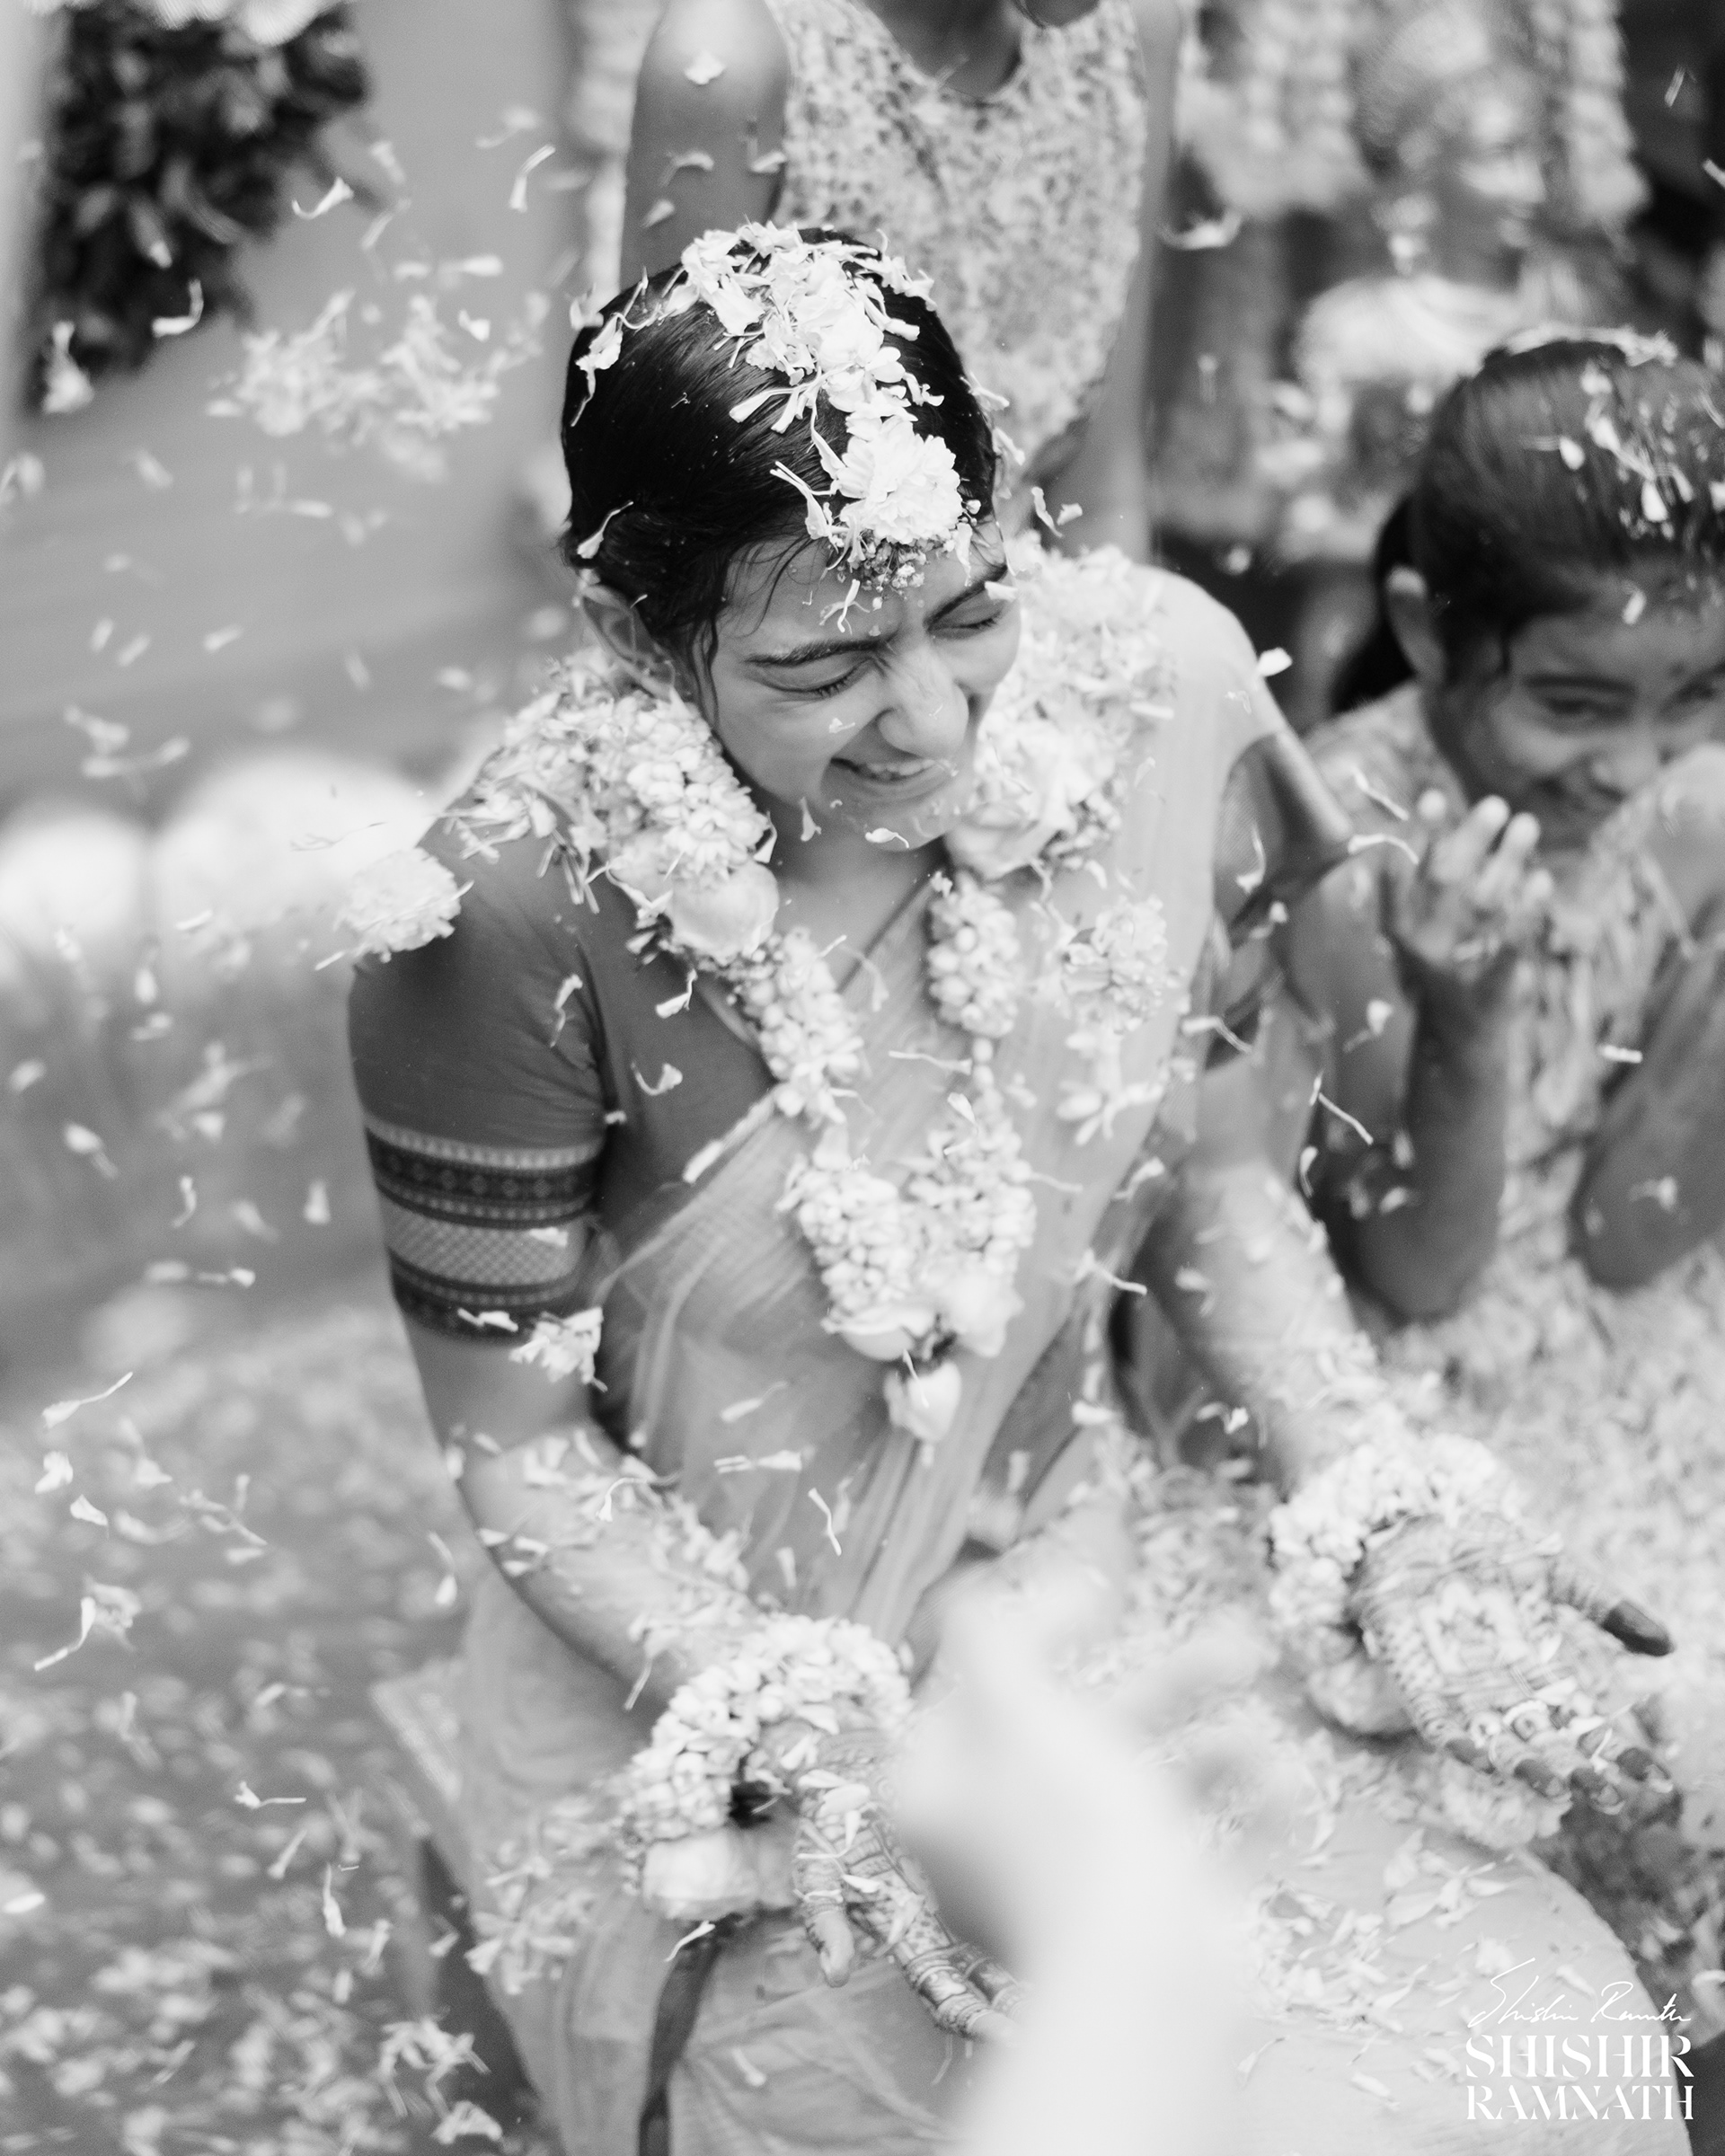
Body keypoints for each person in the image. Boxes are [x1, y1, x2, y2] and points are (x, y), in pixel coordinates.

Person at [345, 231, 1680, 2156]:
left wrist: (1381, 1508)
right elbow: (519, 1452)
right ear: (642, 638)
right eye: (820, 662)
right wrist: (797, 1730)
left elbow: (1215, 1174)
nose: (935, 721)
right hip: (713, 1690)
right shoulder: (502, 913)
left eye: (968, 611)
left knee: (1540, 2075)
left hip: (1087, 1585)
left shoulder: (1155, 692)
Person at [615, 0, 1184, 555]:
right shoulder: (732, 60)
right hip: (801, 631)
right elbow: (663, 526)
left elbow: (1103, 499)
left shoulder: (1131, 30)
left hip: (1024, 600)